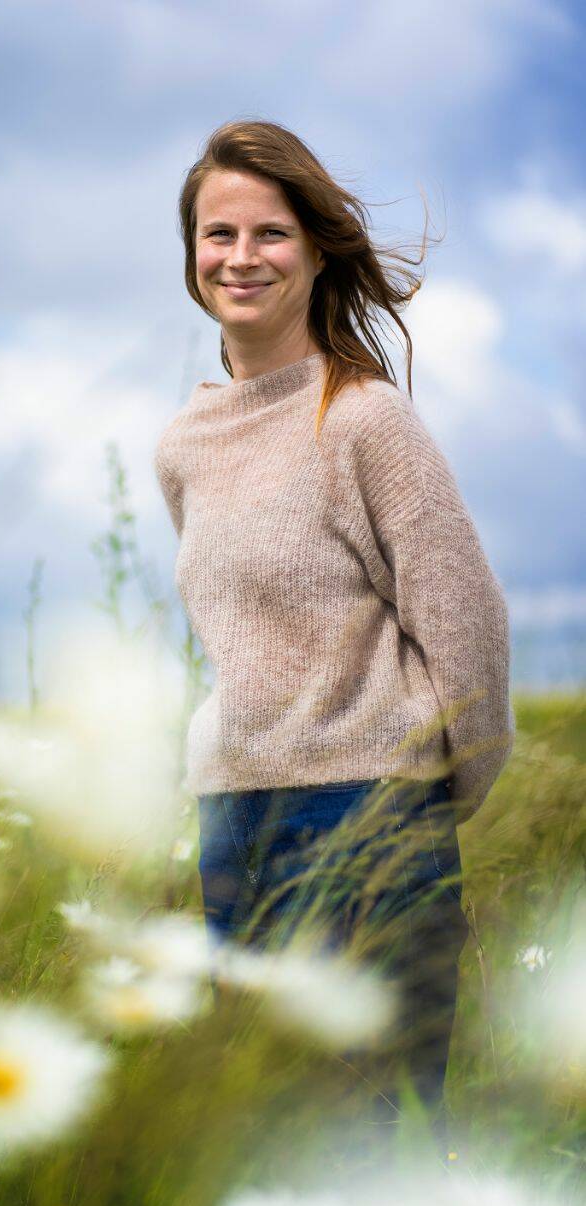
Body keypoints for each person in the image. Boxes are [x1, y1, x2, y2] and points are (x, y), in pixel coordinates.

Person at [153, 119, 516, 1152]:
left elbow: (465, 622)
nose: (239, 256)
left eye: (268, 232)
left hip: (370, 813)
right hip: (230, 817)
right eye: (216, 232)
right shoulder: (181, 445)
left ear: (314, 250)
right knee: (257, 1130)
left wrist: (429, 793)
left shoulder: (362, 420)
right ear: (190, 254)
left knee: (377, 1132)